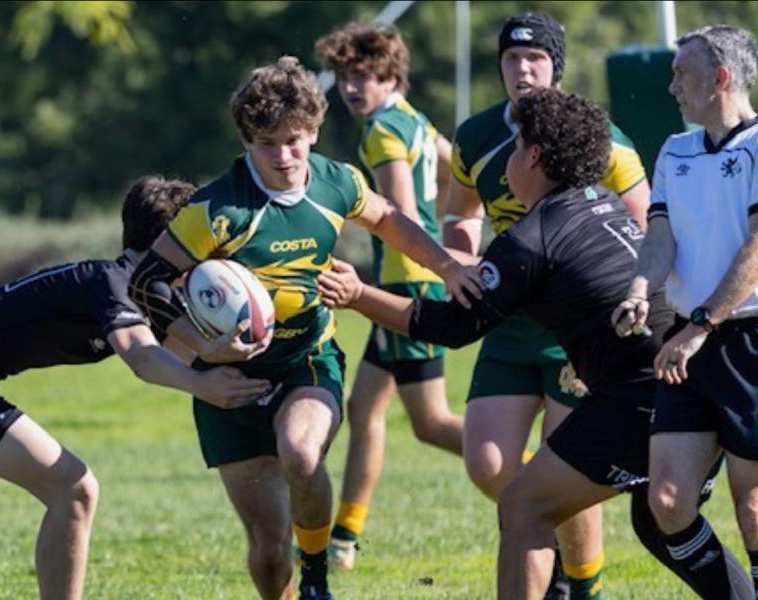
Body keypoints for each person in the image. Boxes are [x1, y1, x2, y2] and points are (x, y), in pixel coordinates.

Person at [318, 87, 752, 599]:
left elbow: (450, 328)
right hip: (680, 383)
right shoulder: (603, 201)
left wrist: (357, 294)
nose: (506, 168)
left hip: (641, 395)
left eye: (518, 146)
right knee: (661, 524)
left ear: (536, 156)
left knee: (525, 505)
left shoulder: (532, 238)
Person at [127, 57, 480, 600]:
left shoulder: (337, 183)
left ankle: (317, 581)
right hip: (228, 386)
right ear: (248, 140)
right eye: (268, 143)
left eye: (295, 140)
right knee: (268, 555)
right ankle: (292, 583)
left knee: (301, 452)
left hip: (306, 359)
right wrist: (204, 349)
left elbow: (390, 219)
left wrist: (450, 266)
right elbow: (146, 281)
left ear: (314, 131)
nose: (284, 155)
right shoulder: (216, 210)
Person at [0, 175, 271, 599]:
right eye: (196, 240)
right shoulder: (110, 282)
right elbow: (142, 357)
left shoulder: (153, 299)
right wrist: (201, 384)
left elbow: (182, 355)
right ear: (169, 241)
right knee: (74, 489)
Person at [443, 12, 651, 599]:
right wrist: (458, 262)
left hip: (579, 330)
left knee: (569, 464)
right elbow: (462, 214)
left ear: (555, 67)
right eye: (512, 58)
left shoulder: (597, 137)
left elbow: (646, 224)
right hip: (511, 320)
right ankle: (545, 542)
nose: (523, 68)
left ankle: (582, 586)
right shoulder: (477, 137)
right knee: (486, 462)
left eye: (535, 59)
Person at [612, 25, 758, 600]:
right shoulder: (675, 148)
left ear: (720, 78)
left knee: (751, 505)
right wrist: (638, 289)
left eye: (682, 75)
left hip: (745, 340)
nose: (671, 87)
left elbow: (755, 247)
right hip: (688, 342)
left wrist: (701, 325)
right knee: (668, 503)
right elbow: (660, 235)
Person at [314, 22, 463, 570]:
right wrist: (446, 225)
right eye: (345, 77)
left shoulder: (381, 132)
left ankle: (537, 483)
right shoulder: (415, 121)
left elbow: (396, 216)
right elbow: (452, 170)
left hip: (405, 283)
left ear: (391, 76)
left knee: (431, 423)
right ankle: (345, 538)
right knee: (363, 406)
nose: (353, 89)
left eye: (365, 77)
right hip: (412, 277)